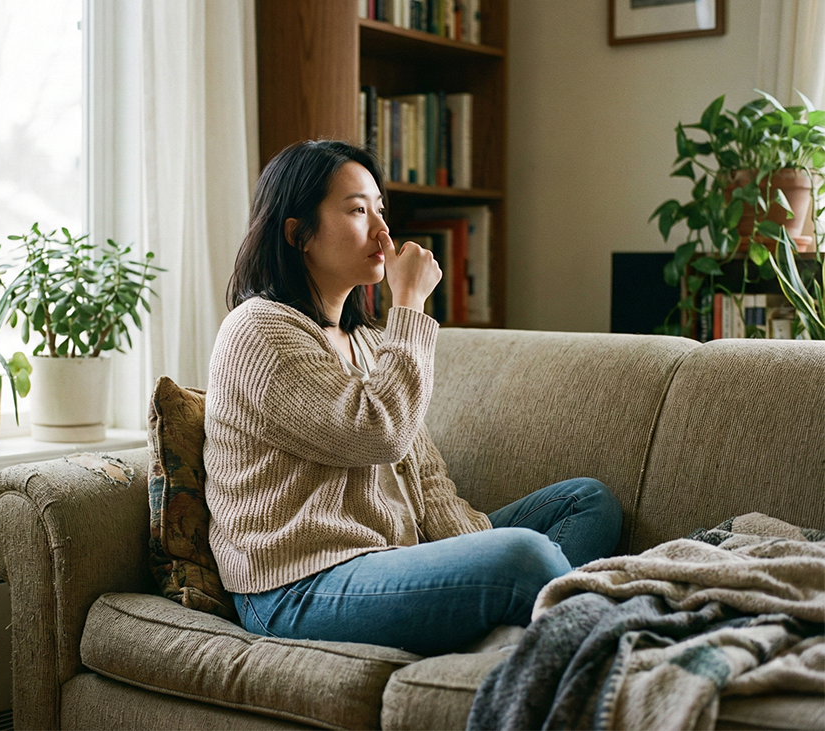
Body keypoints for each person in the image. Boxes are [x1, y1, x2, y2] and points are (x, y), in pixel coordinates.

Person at [204, 139, 622, 657]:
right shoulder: (258, 331)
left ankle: (507, 616)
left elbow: (423, 473)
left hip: (390, 556)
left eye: (380, 209)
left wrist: (465, 549)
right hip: (296, 584)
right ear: (298, 234)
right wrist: (409, 301)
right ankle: (572, 617)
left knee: (588, 502)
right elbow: (379, 433)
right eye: (358, 210)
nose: (382, 229)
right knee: (525, 557)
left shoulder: (368, 339)